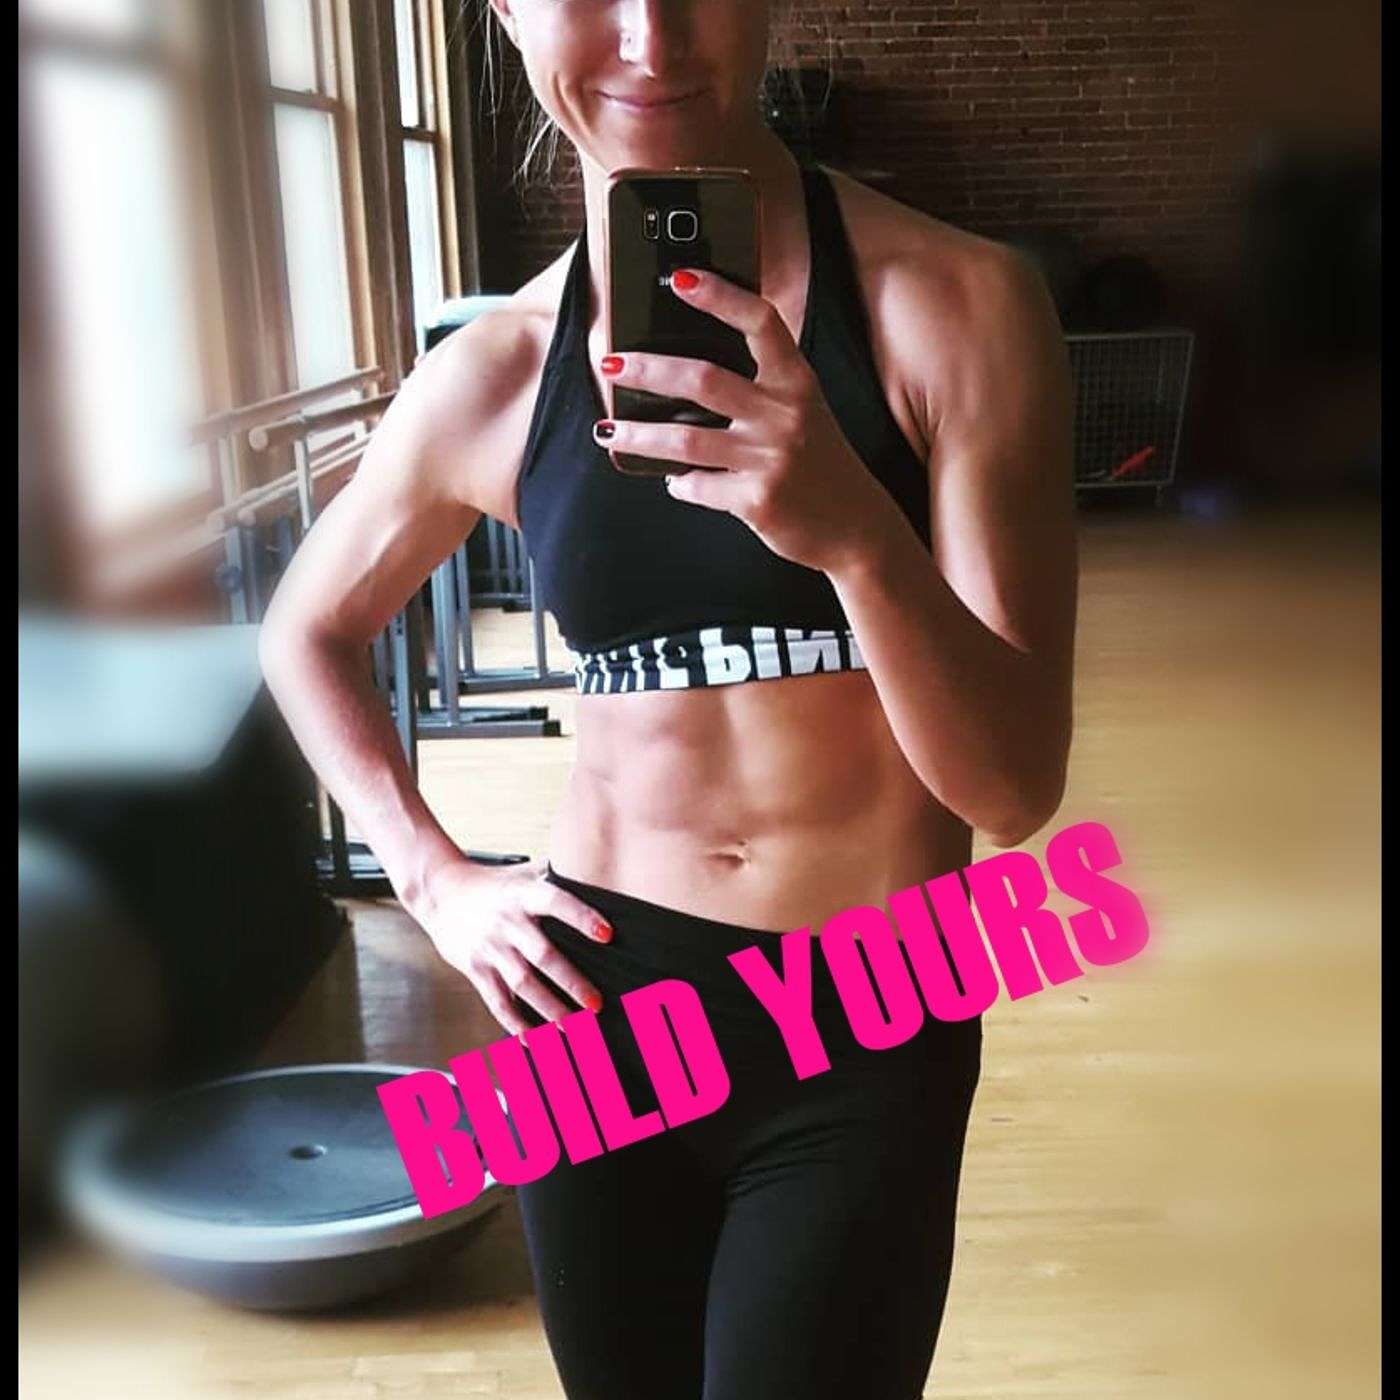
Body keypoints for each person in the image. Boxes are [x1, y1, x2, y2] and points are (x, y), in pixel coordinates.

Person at [258, 1, 1077, 1395]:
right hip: (584, 1002)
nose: (652, 37)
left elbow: (1010, 791)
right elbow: (307, 630)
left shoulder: (956, 303)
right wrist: (435, 881)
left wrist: (858, 538)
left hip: (866, 1011)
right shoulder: (496, 370)